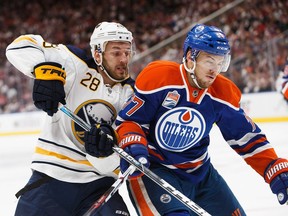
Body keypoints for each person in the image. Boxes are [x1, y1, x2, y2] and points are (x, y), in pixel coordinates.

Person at [113, 24, 288, 216]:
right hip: (155, 172)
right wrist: (133, 144)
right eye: (209, 61)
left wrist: (273, 167)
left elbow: (247, 138)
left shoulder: (223, 93)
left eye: (220, 63)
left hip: (201, 175)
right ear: (190, 57)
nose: (215, 70)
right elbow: (131, 121)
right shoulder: (159, 78)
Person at [6, 21, 135, 216]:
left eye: (127, 52)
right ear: (98, 54)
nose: (124, 59)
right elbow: (19, 47)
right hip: (51, 181)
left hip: (99, 188)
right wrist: (46, 72)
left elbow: (119, 162)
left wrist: (103, 153)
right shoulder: (74, 62)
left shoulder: (132, 94)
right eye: (116, 52)